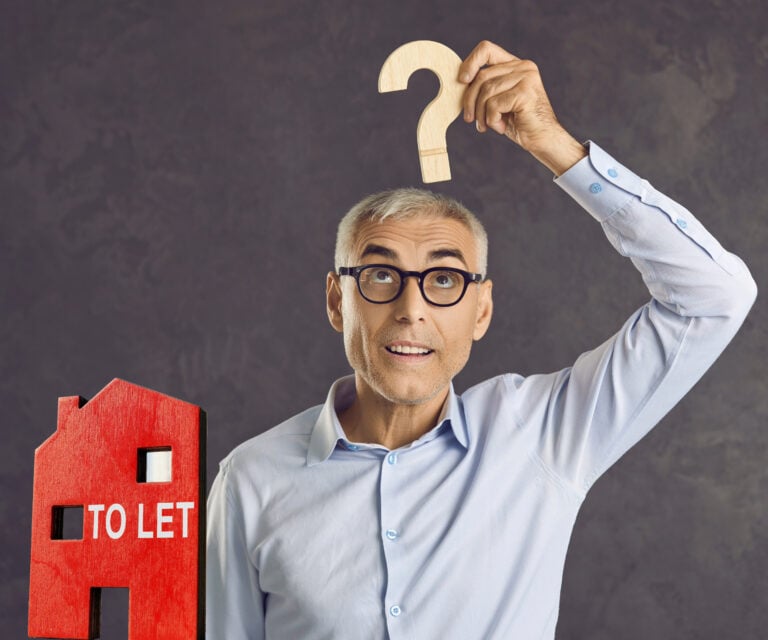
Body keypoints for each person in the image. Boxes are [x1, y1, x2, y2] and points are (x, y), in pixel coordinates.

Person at [205, 40, 756, 639]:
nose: (411, 311)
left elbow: (715, 296)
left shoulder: (542, 435)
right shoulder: (251, 480)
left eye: (444, 279)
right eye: (381, 275)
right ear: (339, 301)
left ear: (482, 311)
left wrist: (555, 146)